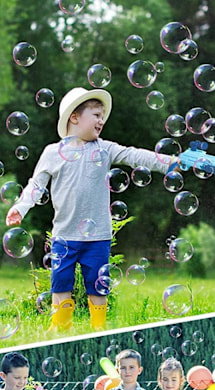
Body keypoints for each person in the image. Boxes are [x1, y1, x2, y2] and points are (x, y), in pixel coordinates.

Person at [5, 87, 177, 331]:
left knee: (98, 286)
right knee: (60, 284)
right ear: (74, 117)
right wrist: (21, 208)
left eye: (102, 116)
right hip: (64, 235)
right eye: (96, 114)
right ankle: (61, 327)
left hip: (98, 237)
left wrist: (169, 163)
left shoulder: (104, 149)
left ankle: (99, 327)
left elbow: (135, 155)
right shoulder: (52, 152)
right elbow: (36, 185)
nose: (101, 120)